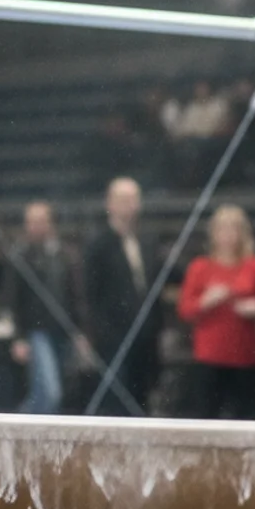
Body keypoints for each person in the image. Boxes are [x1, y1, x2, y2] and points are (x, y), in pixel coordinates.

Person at [177, 205, 255, 419]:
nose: (227, 236)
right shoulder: (200, 267)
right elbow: (185, 309)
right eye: (222, 229)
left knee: (246, 416)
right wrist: (207, 301)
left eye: (232, 229)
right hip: (210, 355)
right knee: (207, 415)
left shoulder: (254, 267)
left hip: (245, 355)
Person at [84, 177, 160, 416]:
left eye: (134, 199)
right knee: (117, 404)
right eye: (124, 200)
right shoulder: (98, 246)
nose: (130, 205)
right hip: (113, 338)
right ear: (111, 203)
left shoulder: (147, 241)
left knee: (142, 401)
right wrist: (96, 332)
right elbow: (89, 294)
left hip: (145, 336)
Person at [11, 201, 88, 415]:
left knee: (47, 392)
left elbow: (77, 295)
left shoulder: (66, 255)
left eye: (40, 221)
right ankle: (21, 426)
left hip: (62, 331)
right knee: (50, 392)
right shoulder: (21, 255)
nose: (35, 227)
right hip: (37, 332)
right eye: (31, 222)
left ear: (51, 223)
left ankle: (29, 429)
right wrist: (18, 337)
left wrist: (80, 332)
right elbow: (14, 299)